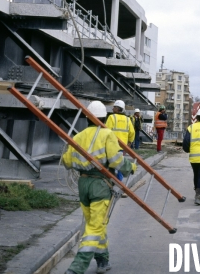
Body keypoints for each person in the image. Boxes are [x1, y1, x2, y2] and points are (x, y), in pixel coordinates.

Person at [62, 100, 137, 274]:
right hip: (100, 186)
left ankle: (103, 260)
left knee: (96, 224)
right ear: (104, 118)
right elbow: (116, 160)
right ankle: (77, 268)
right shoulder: (107, 134)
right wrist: (130, 167)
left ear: (86, 117)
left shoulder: (78, 136)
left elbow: (66, 161)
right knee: (95, 227)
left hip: (83, 185)